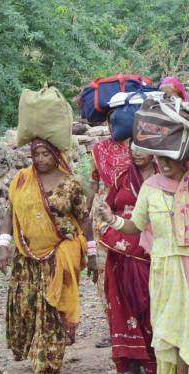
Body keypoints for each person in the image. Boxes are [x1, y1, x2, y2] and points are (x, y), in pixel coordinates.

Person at [98, 156, 189, 374]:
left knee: (187, 327)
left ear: (184, 158)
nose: (163, 163)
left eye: (170, 159)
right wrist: (112, 220)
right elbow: (136, 226)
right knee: (166, 326)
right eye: (160, 158)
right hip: (162, 268)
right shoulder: (150, 187)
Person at [0, 137, 95, 374]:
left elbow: (84, 220)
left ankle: (51, 364)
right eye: (36, 154)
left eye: (45, 154)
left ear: (56, 155)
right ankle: (36, 351)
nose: (40, 159)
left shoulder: (70, 184)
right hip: (27, 256)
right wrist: (3, 246)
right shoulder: (22, 179)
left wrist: (91, 254)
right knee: (27, 306)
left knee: (52, 309)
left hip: (60, 255)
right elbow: (10, 213)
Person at [100, 148, 158, 374]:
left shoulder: (163, 176)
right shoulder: (122, 178)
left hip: (152, 249)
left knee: (151, 301)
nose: (137, 154)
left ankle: (156, 360)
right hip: (122, 251)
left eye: (143, 149)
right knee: (122, 303)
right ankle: (128, 363)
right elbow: (109, 207)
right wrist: (107, 222)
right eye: (133, 149)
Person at [87, 120, 132, 348]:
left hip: (132, 215)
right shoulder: (99, 150)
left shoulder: (142, 147)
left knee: (133, 272)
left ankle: (136, 326)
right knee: (106, 272)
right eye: (111, 119)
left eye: (119, 118)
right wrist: (85, 213)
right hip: (102, 218)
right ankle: (114, 325)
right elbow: (93, 183)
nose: (115, 123)